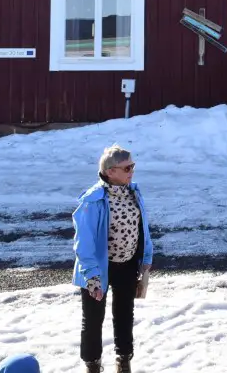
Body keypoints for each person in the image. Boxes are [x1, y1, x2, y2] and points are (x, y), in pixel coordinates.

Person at [72, 145, 154, 373]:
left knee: (125, 314)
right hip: (98, 269)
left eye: (133, 166)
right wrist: (92, 276)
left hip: (127, 264)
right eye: (127, 167)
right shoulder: (93, 200)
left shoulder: (133, 192)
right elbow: (84, 242)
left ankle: (124, 360)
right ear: (110, 172)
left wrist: (146, 257)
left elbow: (143, 228)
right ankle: (92, 365)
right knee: (93, 319)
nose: (132, 171)